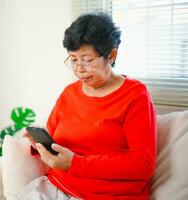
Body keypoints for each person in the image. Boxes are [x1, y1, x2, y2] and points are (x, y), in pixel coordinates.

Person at [21, 12, 157, 200]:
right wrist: (39, 143)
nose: (79, 69)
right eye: (73, 59)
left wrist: (75, 164)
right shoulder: (69, 93)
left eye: (87, 60)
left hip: (109, 195)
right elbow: (54, 140)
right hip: (59, 187)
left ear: (111, 55)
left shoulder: (135, 95)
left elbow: (142, 165)